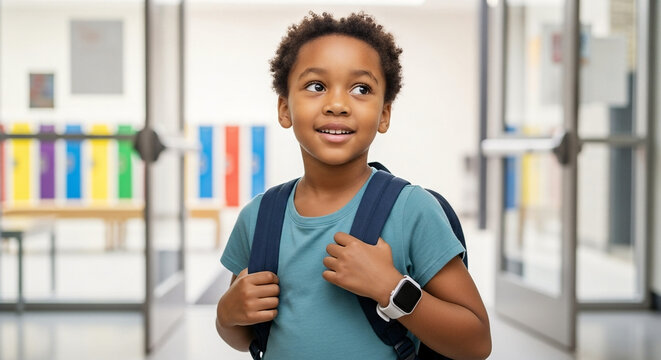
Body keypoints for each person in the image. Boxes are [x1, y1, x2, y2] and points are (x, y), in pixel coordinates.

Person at [216, 11, 491, 360]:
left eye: (361, 89)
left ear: (384, 115)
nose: (337, 105)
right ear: (284, 109)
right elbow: (243, 335)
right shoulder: (259, 218)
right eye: (316, 86)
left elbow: (477, 342)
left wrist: (391, 289)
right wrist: (226, 315)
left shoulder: (412, 210)